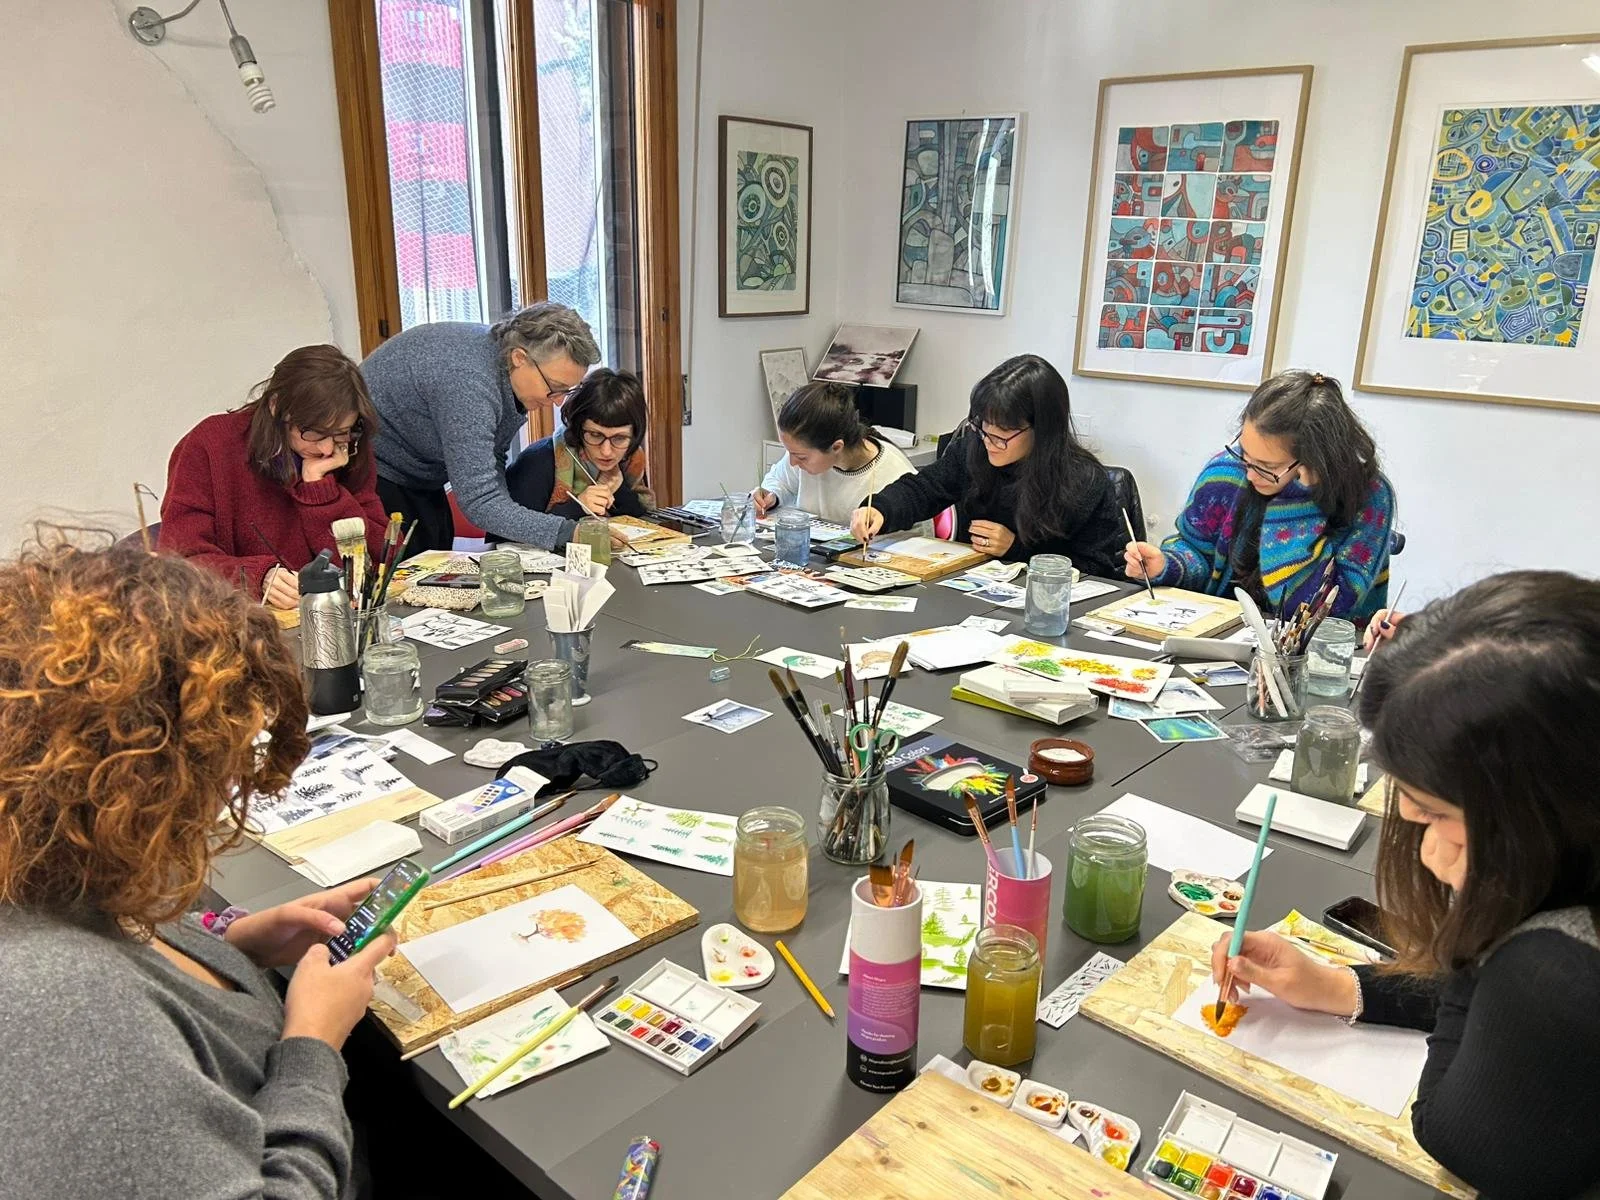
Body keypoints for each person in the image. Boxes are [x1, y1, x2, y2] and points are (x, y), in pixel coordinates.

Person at [0, 541, 398, 1198]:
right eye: (218, 767)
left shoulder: (44, 873)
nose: (222, 800)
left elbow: (124, 955)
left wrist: (228, 951)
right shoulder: (65, 1018)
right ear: (141, 781)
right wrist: (312, 1045)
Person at [1209, 571, 1600, 1200]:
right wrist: (1340, 987)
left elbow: (1452, 1135)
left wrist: (1473, 936)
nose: (1425, 851)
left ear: (1544, 807)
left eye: (1437, 815)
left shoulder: (1560, 975)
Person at [1123, 370, 1395, 621]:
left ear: (1316, 461)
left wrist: (1297, 502)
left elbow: (1315, 611)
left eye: (1268, 467)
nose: (1250, 475)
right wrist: (1167, 565)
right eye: (1245, 455)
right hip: (1219, 637)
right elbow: (1197, 551)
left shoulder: (1368, 496)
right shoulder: (1227, 472)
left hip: (1319, 655)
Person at [159, 344, 388, 610]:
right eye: (314, 432)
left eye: (341, 431)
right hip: (244, 620)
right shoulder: (211, 445)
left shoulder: (346, 448)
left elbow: (376, 557)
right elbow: (178, 560)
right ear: (277, 407)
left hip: (330, 614)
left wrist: (321, 493)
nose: (327, 449)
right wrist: (258, 577)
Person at [848, 354, 1125, 575]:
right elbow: (925, 488)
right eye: (983, 426)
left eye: (1002, 433)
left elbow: (1096, 570)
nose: (989, 441)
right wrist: (880, 508)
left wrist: (1016, 549)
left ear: (1042, 430)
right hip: (975, 587)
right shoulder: (974, 447)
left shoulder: (1084, 481)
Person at [360, 302, 601, 554]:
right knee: (406, 579)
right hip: (379, 475)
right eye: (554, 386)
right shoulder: (470, 385)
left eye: (567, 390)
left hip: (421, 473)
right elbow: (480, 501)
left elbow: (492, 455)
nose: (559, 400)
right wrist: (567, 532)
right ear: (519, 358)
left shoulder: (501, 366)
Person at [502, 368, 654, 530]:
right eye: (595, 435)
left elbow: (643, 521)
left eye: (619, 438)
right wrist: (578, 506)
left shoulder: (631, 457)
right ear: (578, 428)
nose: (607, 451)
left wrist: (618, 489)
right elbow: (511, 532)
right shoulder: (537, 461)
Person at [752, 381, 920, 526]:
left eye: (801, 457)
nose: (793, 463)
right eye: (789, 452)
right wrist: (769, 496)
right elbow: (779, 481)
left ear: (837, 447)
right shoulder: (805, 455)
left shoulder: (894, 475)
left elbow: (916, 541)